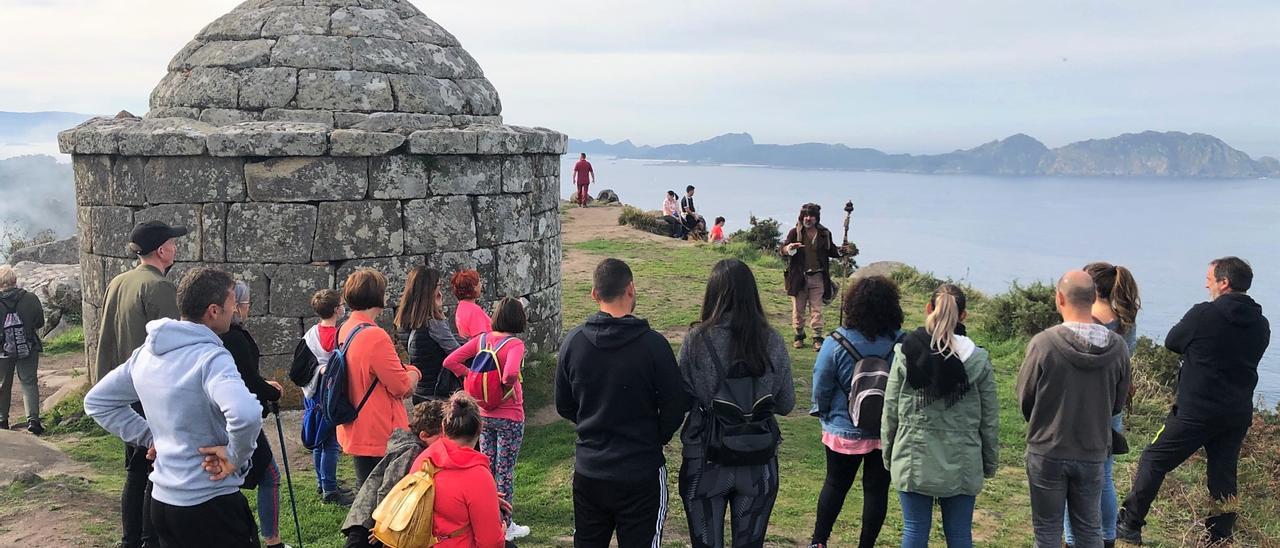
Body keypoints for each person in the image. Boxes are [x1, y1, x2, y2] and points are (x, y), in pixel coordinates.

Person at [84, 267, 263, 548]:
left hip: (163, 502)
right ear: (213, 311)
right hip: (210, 501)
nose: (235, 310)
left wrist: (151, 437)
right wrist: (234, 456)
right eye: (232, 303)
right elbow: (246, 413)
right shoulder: (211, 358)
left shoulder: (146, 354)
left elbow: (97, 402)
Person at [1117, 257, 1271, 545]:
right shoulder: (1261, 324)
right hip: (1236, 413)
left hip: (1195, 410)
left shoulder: (1204, 314)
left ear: (1224, 283)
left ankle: (1130, 524)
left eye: (1210, 278)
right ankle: (1219, 536)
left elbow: (1173, 341)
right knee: (1223, 477)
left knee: (1154, 458)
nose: (1206, 283)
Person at [556, 258, 691, 547]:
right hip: (640, 468)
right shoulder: (654, 345)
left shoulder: (573, 342)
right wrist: (656, 435)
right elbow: (676, 405)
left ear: (594, 294)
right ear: (631, 289)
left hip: (590, 468)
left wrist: (592, 424)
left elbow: (564, 404)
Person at [678, 258, 794, 548]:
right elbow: (786, 403)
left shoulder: (697, 340)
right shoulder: (773, 341)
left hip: (705, 457)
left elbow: (680, 398)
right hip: (758, 459)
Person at [1016, 271, 1131, 548]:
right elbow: (1117, 402)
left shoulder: (1043, 344)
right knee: (1089, 529)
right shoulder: (1117, 349)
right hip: (1092, 449)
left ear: (1059, 298)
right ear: (1093, 299)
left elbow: (1025, 397)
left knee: (1046, 531)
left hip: (1048, 448)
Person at [882, 284, 998, 548]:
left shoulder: (907, 352)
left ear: (928, 309)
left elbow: (890, 408)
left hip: (913, 454)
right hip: (964, 460)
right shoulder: (979, 359)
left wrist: (889, 454)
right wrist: (989, 462)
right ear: (964, 316)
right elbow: (989, 419)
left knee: (914, 531)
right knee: (959, 535)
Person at [95, 219, 187, 548]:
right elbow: (172, 344)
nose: (176, 248)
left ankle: (131, 539)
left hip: (121, 388)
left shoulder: (119, 281)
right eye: (173, 243)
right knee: (151, 469)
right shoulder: (159, 287)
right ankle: (146, 539)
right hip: (148, 393)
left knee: (136, 467)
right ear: (161, 250)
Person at [808, 275, 905, 548]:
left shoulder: (836, 341)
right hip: (885, 431)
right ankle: (866, 545)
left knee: (835, 484)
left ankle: (819, 541)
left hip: (843, 428)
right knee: (876, 490)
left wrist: (825, 414)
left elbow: (821, 384)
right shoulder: (902, 344)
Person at [1064, 262, 1141, 547]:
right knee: (1104, 477)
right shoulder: (1126, 322)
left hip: (1078, 406)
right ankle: (1108, 537)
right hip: (1111, 406)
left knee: (1069, 476)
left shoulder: (1081, 320)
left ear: (1092, 288)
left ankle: (1072, 540)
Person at [443, 297, 530, 541]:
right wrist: (503, 389)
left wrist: (470, 378)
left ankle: (485, 519)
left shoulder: (481, 340)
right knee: (505, 470)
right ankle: (506, 523)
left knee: (486, 467)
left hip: (483, 415)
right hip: (510, 415)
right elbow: (512, 372)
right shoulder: (514, 344)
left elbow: (450, 360)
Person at [336, 269, 422, 492]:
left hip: (355, 421)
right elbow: (402, 386)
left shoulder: (345, 329)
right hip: (380, 428)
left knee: (365, 493)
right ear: (377, 296)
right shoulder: (375, 336)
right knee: (385, 498)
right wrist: (414, 371)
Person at [220, 282, 291, 548]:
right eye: (247, 302)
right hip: (241, 419)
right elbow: (246, 380)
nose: (249, 307)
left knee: (234, 478)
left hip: (230, 416)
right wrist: (271, 393)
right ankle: (272, 540)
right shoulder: (235, 337)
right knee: (269, 475)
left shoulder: (227, 336)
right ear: (236, 305)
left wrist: (265, 385)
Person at [408, 393, 507, 548]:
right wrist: (502, 530)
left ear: (443, 427)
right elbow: (490, 543)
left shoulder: (424, 459)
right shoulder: (478, 476)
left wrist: (486, 501)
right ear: (480, 428)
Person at [342, 400, 446, 548]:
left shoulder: (409, 444)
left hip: (373, 515)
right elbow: (388, 486)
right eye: (442, 437)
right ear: (424, 435)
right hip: (371, 522)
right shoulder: (412, 451)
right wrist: (383, 527)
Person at [298, 288, 354, 505]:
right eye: (341, 304)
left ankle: (322, 483)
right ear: (336, 310)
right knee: (329, 442)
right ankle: (330, 489)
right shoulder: (338, 335)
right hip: (328, 393)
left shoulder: (311, 333)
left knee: (320, 441)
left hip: (313, 392)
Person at [780, 203, 849, 352]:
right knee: (798, 309)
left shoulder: (824, 234)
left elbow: (831, 251)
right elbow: (782, 249)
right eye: (805, 215)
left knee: (817, 309)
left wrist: (841, 251)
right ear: (801, 217)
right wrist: (789, 248)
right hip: (799, 277)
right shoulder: (795, 233)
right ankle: (799, 335)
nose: (808, 218)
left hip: (818, 276)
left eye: (811, 215)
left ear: (816, 218)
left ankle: (817, 337)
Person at [397, 267, 463, 403]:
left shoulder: (403, 321)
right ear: (431, 289)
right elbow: (456, 352)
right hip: (437, 393)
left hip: (420, 391)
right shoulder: (433, 322)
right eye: (439, 285)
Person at [0, 264, 45, 433]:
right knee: (29, 382)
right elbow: (39, 322)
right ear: (15, 280)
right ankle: (33, 420)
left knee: (3, 384)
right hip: (28, 346)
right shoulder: (30, 298)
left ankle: (2, 421)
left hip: (2, 350)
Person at [451, 270, 491, 340]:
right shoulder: (474, 310)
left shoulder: (461, 306)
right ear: (474, 287)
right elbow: (481, 339)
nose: (481, 285)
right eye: (479, 282)